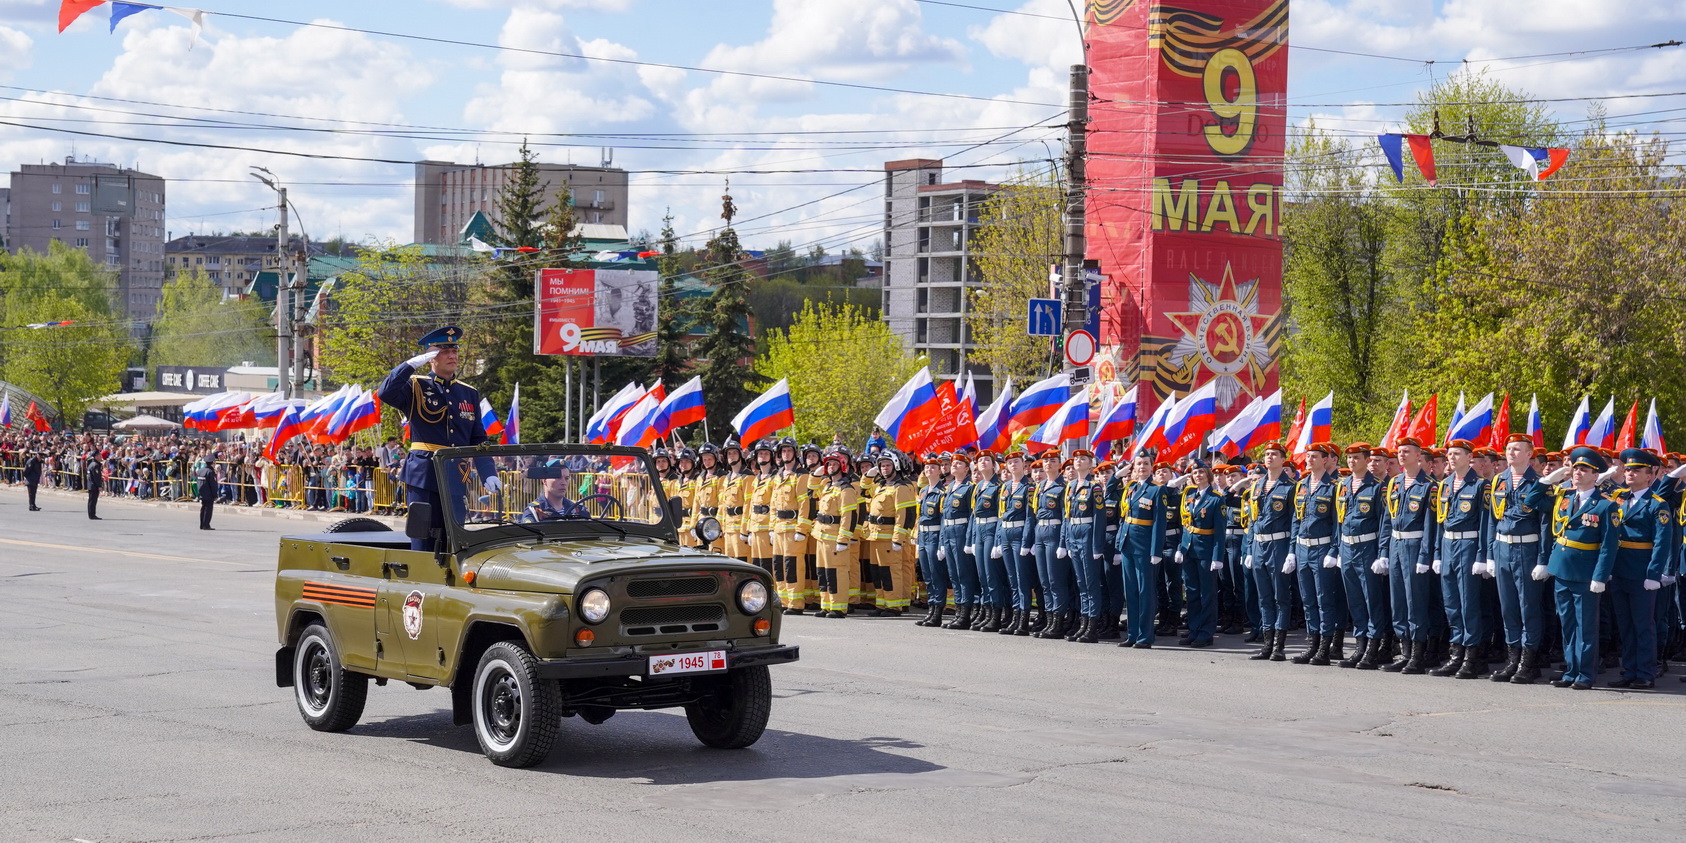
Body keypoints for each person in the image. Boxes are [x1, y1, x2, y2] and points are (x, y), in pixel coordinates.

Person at [375, 325, 501, 551]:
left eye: (454, 351)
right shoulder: (415, 385)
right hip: (424, 474)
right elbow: (385, 392)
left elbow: (478, 438)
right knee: (422, 539)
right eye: (444, 351)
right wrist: (409, 365)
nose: (452, 356)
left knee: (453, 539)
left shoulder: (468, 392)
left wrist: (487, 472)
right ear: (431, 356)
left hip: (455, 475)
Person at [1524, 446, 1622, 689]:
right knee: (1567, 623)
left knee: (1586, 626)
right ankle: (1571, 670)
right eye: (1575, 468)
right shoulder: (1564, 496)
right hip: (1562, 569)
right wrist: (1547, 480)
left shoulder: (1605, 506)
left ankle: (1586, 674)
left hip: (1585, 572)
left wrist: (1600, 576)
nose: (1577, 472)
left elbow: (1609, 546)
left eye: (1583, 469)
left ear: (1595, 474)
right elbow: (1531, 500)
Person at [1605, 448, 1675, 689]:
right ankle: (1630, 670)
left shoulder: (1658, 504)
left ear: (1650, 474)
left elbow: (1661, 543)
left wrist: (1654, 574)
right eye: (1628, 469)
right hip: (1619, 568)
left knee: (1643, 625)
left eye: (1636, 470)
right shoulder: (1619, 497)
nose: (1630, 473)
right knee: (1625, 624)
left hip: (1642, 571)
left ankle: (1645, 672)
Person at [1487, 434, 1551, 683]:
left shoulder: (1539, 482)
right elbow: (1493, 519)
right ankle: (1512, 659)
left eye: (1517, 449)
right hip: (1502, 549)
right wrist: (1491, 554)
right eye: (1508, 449)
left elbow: (1545, 524)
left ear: (1529, 454)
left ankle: (1529, 662)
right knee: (1508, 607)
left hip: (1527, 550)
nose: (1511, 453)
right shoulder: (1498, 481)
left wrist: (1543, 559)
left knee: (1528, 607)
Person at [1430, 439, 1493, 679]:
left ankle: (1472, 657)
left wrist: (1482, 555)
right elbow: (1439, 522)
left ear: (1470, 458)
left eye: (1458, 454)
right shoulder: (1444, 485)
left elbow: (1486, 523)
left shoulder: (1480, 485)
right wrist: (1437, 553)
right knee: (1451, 604)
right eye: (1450, 454)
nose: (1452, 458)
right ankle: (1456, 654)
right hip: (1448, 545)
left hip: (1469, 544)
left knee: (1469, 604)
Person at [1383, 436, 1440, 674]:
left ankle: (1417, 654)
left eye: (1407, 451)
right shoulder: (1394, 483)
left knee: (1415, 602)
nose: (1401, 455)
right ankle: (1404, 651)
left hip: (1416, 546)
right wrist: (1383, 552)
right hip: (1396, 545)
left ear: (1419, 456)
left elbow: (1430, 525)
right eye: (1400, 451)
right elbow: (1387, 520)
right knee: (1398, 602)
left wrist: (1425, 556)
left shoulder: (1429, 485)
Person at [1334, 443, 1391, 669]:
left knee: (1372, 600)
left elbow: (1384, 523)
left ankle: (1373, 649)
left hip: (1368, 548)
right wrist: (1338, 549)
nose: (1352, 461)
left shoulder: (1377, 486)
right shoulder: (1344, 486)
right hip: (1347, 548)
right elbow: (1339, 520)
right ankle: (1360, 646)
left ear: (1367, 460)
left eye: (1356, 457)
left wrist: (1382, 553)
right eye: (1349, 458)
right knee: (1355, 600)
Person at [1289, 443, 1344, 665]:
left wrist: (1333, 550)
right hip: (1303, 548)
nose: (1309, 459)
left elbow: (1337, 523)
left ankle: (1324, 648)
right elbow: (1296, 520)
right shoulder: (1301, 485)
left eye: (1315, 456)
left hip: (1322, 548)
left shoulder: (1334, 486)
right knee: (1308, 600)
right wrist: (1292, 551)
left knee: (1324, 600)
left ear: (1326, 459)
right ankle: (1312, 646)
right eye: (1308, 456)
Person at [1244, 442, 1296, 661]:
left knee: (1280, 597)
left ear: (1283, 459)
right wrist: (1249, 549)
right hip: (1258, 545)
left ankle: (1279, 646)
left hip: (1279, 545)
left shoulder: (1292, 486)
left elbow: (1295, 521)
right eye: (1266, 454)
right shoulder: (1257, 486)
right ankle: (1266, 644)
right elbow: (1253, 520)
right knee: (1264, 597)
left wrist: (1292, 552)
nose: (1269, 457)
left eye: (1274, 454)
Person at [1176, 459, 1225, 648]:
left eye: (1201, 473)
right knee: (1192, 592)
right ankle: (1194, 629)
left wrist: (1217, 557)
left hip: (1206, 550)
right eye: (1195, 473)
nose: (1198, 476)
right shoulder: (1189, 496)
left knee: (1208, 594)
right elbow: (1186, 525)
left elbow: (1219, 531)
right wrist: (1182, 548)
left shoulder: (1216, 499)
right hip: (1189, 549)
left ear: (1208, 475)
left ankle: (1206, 632)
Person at [1062, 450, 1105, 643]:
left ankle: (1092, 626)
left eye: (1083, 459)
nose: (1078, 461)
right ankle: (1084, 623)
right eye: (1076, 458)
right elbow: (1067, 515)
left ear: (1090, 465)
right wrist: (1066, 542)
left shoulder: (1094, 487)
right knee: (1081, 582)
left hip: (1087, 533)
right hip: (1074, 533)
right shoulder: (1070, 486)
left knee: (1090, 582)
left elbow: (1100, 518)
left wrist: (1096, 546)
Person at [811, 448, 860, 618]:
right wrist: (818, 472)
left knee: (836, 572)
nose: (831, 466)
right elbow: (811, 487)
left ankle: (838, 607)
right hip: (821, 536)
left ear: (843, 466)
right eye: (828, 464)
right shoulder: (827, 486)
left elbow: (849, 516)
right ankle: (826, 605)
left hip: (835, 537)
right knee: (823, 572)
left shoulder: (846, 489)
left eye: (834, 463)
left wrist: (843, 538)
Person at [939, 453, 979, 629]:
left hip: (961, 531)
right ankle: (958, 611)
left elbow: (972, 516)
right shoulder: (949, 488)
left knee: (964, 574)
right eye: (953, 463)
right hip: (948, 531)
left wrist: (969, 539)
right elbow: (943, 516)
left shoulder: (970, 487)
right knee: (953, 575)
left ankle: (966, 614)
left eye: (959, 463)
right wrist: (941, 541)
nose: (954, 466)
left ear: (966, 468)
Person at [914, 454, 950, 627]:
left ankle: (938, 612)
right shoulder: (923, 491)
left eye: (933, 467)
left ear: (940, 471)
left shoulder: (942, 492)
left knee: (937, 575)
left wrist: (942, 543)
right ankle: (931, 609)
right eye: (926, 467)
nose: (929, 470)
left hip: (935, 536)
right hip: (923, 535)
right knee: (927, 576)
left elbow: (943, 519)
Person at [198, 460, 218, 530]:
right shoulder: (210, 472)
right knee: (208, 509)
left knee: (203, 508)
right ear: (212, 463)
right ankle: (206, 525)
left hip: (202, 492)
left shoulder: (200, 471)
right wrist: (215, 495)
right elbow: (213, 484)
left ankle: (201, 524)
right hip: (209, 493)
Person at [85, 450, 103, 520]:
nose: (100, 457)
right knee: (93, 501)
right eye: (99, 456)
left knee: (91, 501)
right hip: (94, 485)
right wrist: (99, 486)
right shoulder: (95, 465)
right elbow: (96, 477)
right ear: (96, 457)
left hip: (90, 485)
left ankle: (91, 514)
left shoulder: (91, 464)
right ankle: (92, 515)